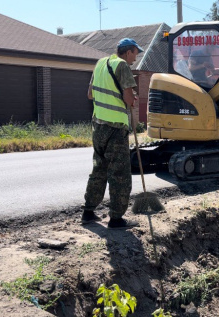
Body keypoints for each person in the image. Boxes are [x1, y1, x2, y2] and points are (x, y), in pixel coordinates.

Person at [82, 38, 143, 229]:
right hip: (115, 128)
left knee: (99, 169)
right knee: (119, 173)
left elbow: (90, 95)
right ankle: (116, 219)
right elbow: (127, 98)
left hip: (98, 126)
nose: (136, 57)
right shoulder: (122, 66)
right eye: (135, 53)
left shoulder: (100, 63)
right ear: (128, 52)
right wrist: (132, 99)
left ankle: (88, 212)